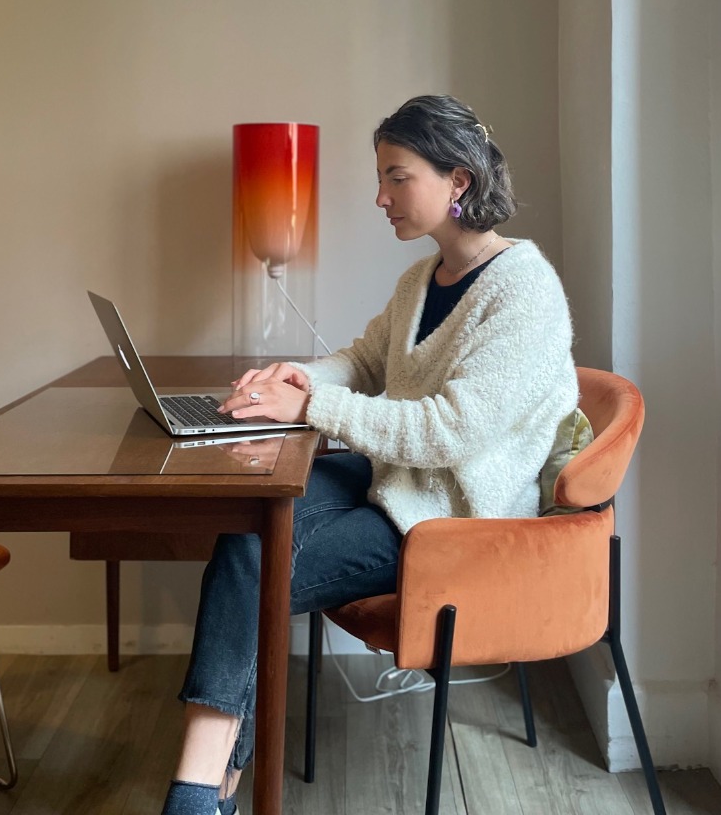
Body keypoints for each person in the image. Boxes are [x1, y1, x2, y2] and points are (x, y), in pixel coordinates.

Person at [159, 94, 579, 815]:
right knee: (250, 528)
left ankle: (198, 789)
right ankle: (212, 778)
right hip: (395, 481)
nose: (379, 196)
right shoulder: (424, 280)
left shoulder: (524, 291)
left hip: (453, 517)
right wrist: (296, 378)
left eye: (396, 177)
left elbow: (451, 432)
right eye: (380, 177)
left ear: (458, 181)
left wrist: (312, 408)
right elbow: (362, 362)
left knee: (256, 563)